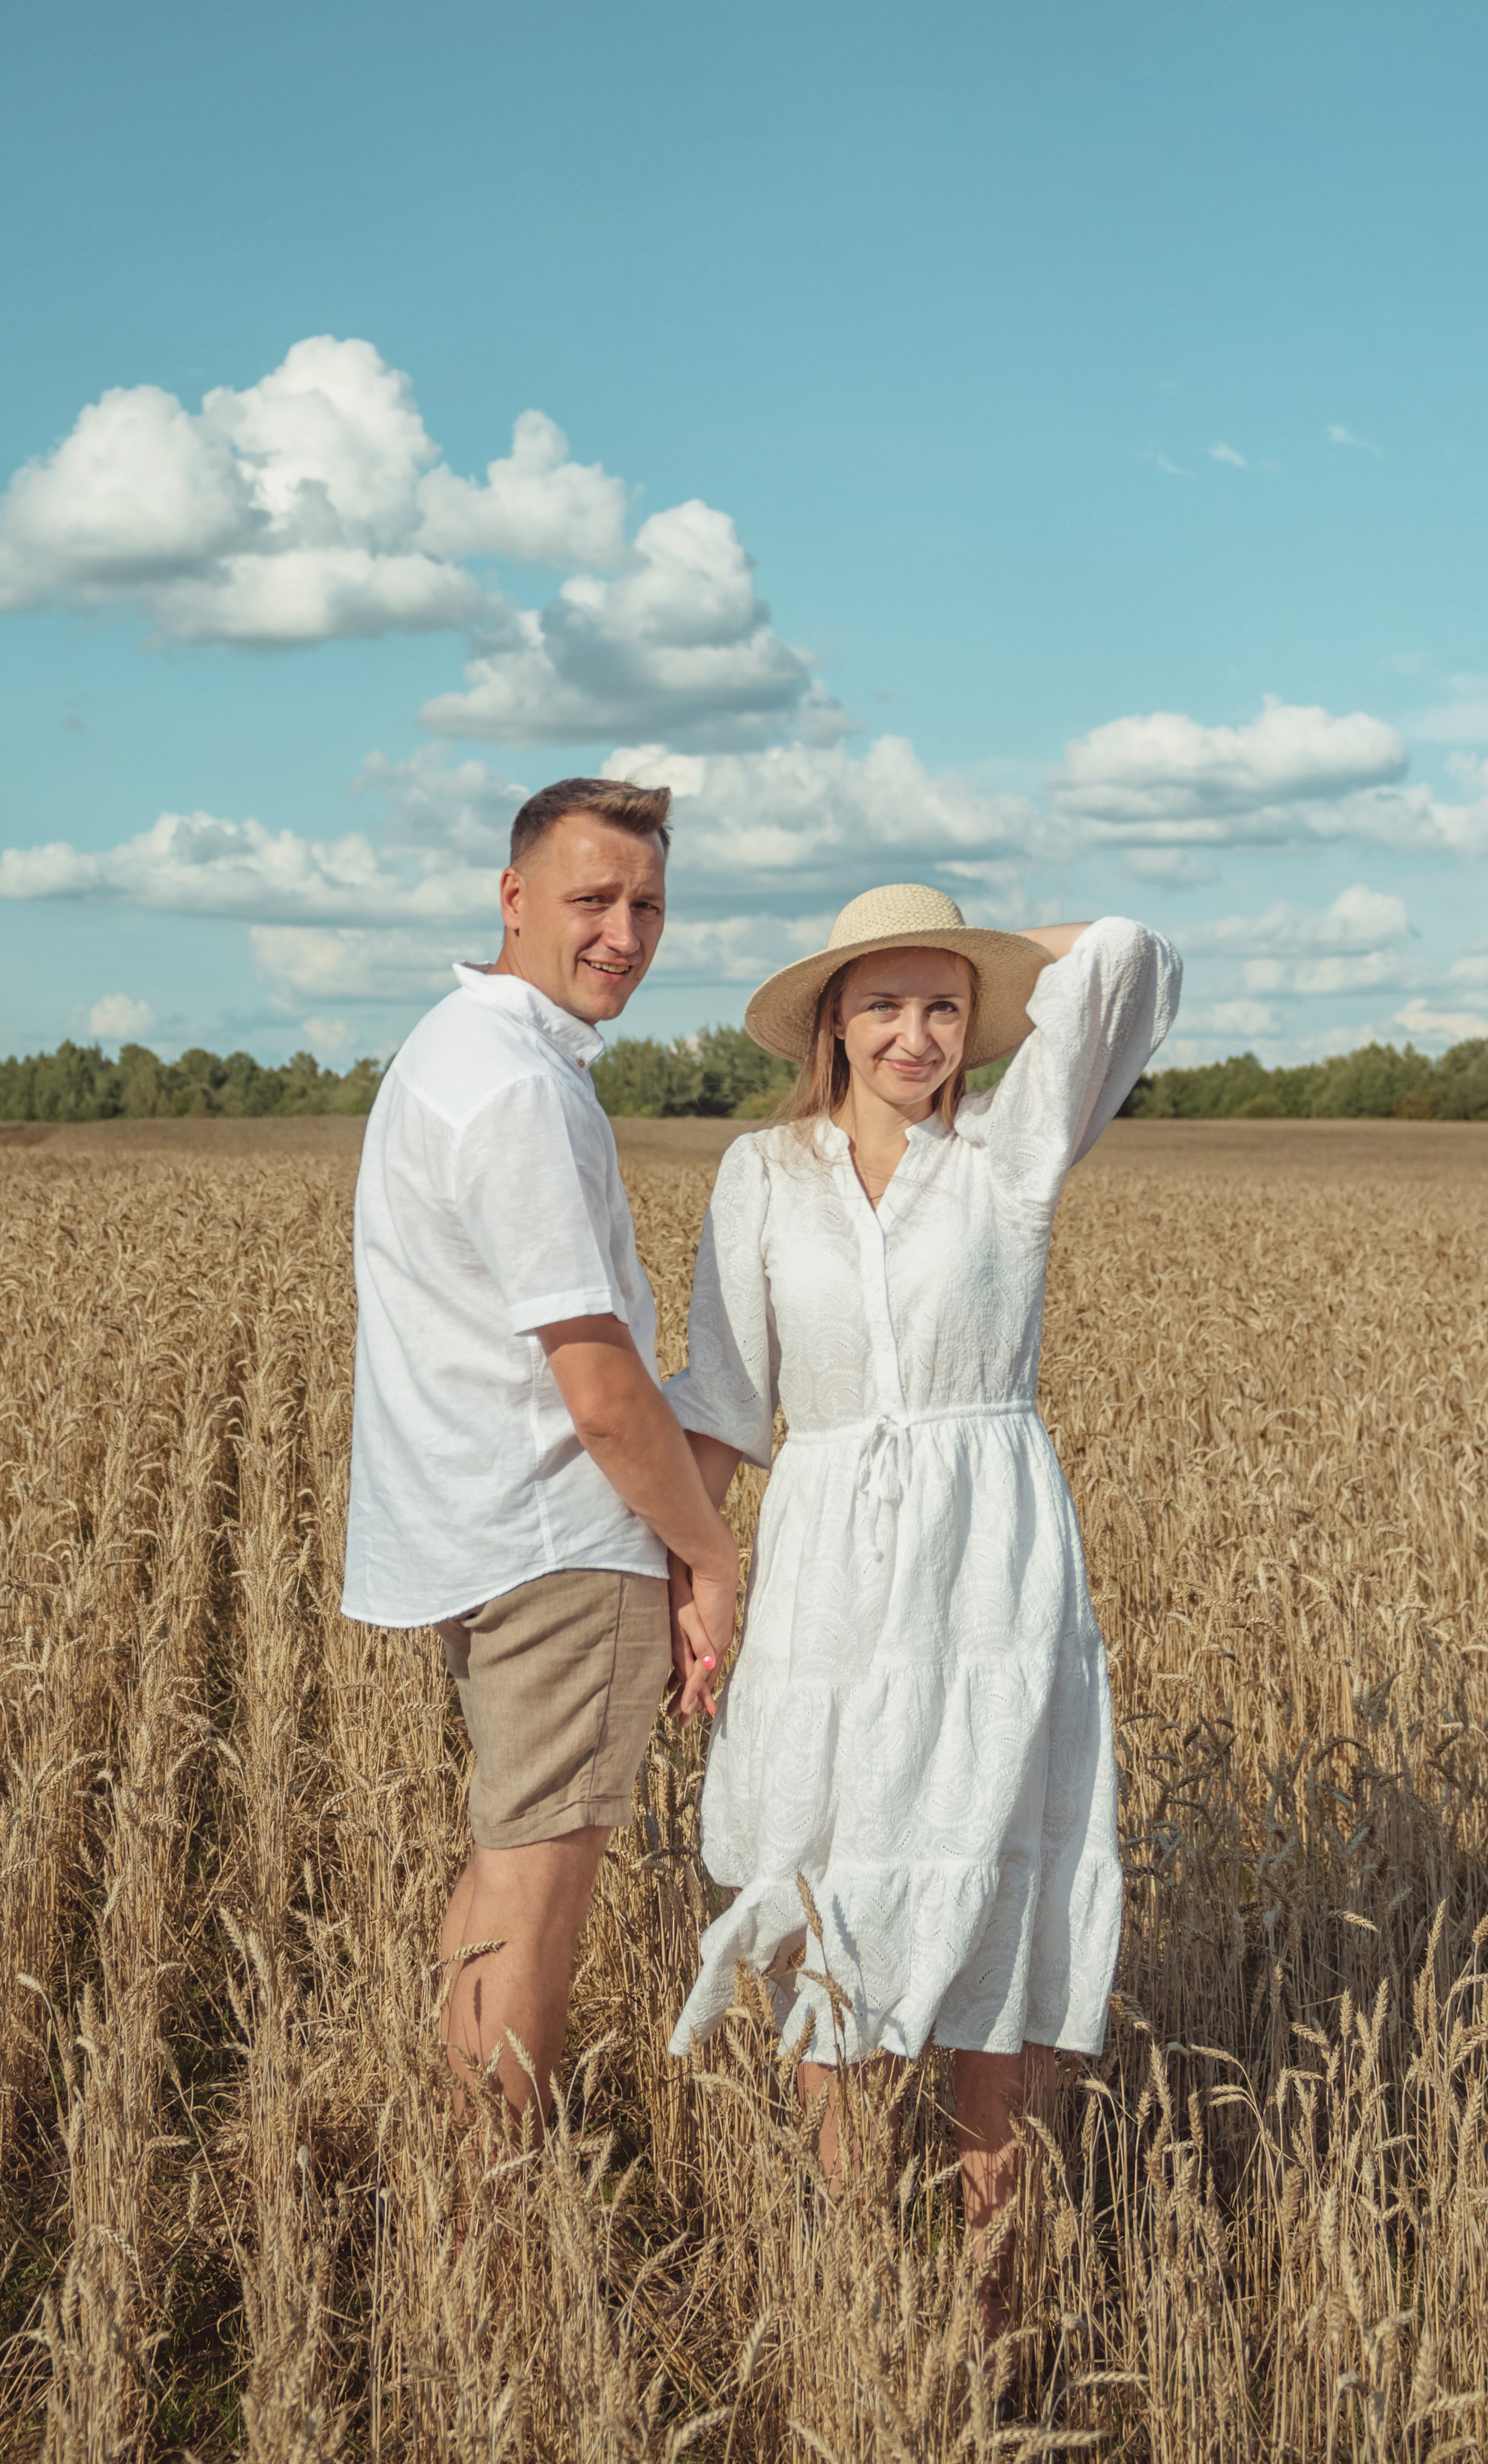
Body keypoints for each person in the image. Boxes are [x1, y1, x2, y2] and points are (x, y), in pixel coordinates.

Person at [661, 883, 1181, 2342]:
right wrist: (692, 1581)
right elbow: (714, 1397)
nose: (912, 1033)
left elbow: (1134, 958)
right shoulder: (760, 1176)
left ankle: (991, 2309)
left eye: (942, 1004)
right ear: (829, 1021)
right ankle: (843, 2272)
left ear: (973, 1024)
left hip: (987, 1567)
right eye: (878, 1003)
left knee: (987, 1905)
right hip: (827, 1558)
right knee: (822, 1883)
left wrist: (1019, 944)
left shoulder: (1008, 1157)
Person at [342, 775, 741, 2137]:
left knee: (506, 1863)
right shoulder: (518, 1088)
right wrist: (709, 1553)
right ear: (514, 902)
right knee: (537, 1888)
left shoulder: (454, 1051)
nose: (624, 932)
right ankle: (490, 2223)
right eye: (592, 900)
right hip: (556, 1542)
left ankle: (457, 2167)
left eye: (647, 905)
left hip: (475, 1531)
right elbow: (601, 1388)